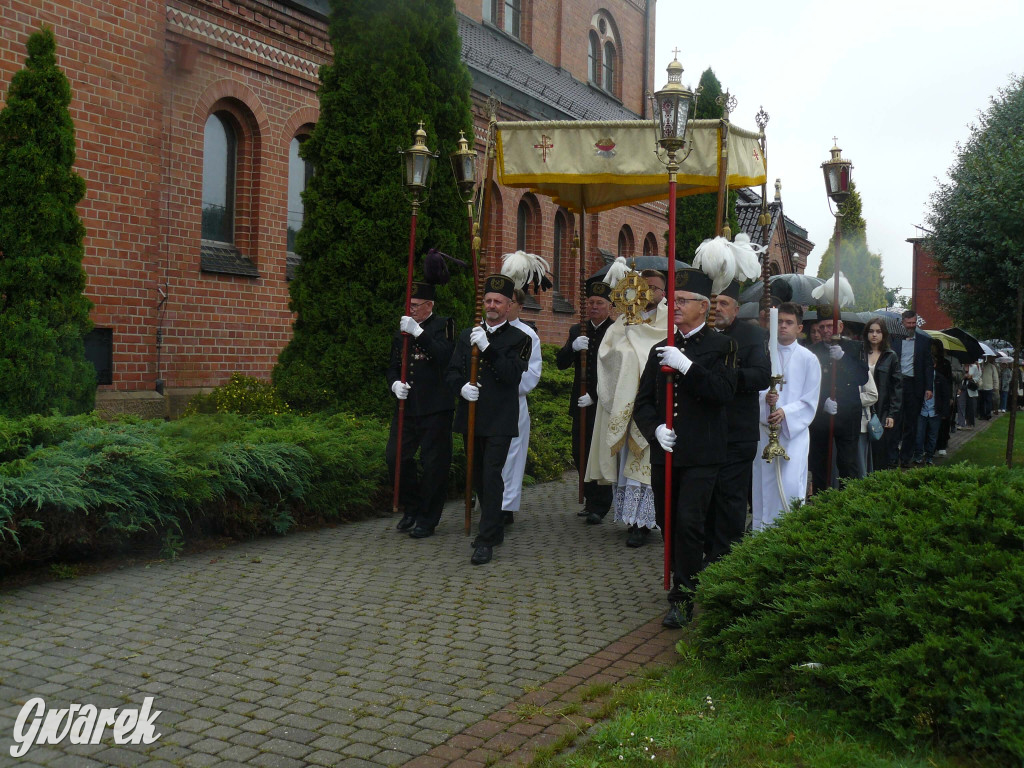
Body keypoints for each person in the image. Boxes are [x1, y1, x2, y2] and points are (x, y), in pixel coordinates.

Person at [634, 267, 737, 629]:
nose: (673, 306)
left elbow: (723, 393)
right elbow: (643, 402)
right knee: (667, 521)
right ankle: (689, 574)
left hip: (703, 454)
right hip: (668, 451)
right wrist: (655, 429)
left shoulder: (723, 346)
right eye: (673, 300)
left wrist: (687, 367)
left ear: (703, 307)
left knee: (689, 522)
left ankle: (683, 596)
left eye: (682, 301)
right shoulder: (660, 347)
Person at [446, 275, 532, 565]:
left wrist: (487, 348)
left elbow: (511, 374)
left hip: (500, 418)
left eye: (497, 301)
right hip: (472, 416)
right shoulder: (468, 335)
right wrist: (461, 387)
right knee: (477, 475)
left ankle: (485, 540)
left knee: (491, 474)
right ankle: (493, 528)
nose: (491, 306)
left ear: (509, 306)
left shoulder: (522, 338)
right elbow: (452, 371)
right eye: (487, 301)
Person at [586, 269, 671, 548]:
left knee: (646, 465)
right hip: (625, 404)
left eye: (655, 288)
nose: (649, 293)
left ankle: (646, 522)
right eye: (644, 287)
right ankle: (631, 520)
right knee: (627, 465)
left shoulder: (668, 321)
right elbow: (606, 355)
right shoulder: (623, 321)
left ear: (664, 293)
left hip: (651, 407)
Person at [705, 280, 771, 564]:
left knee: (731, 498)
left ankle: (726, 557)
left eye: (724, 303)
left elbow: (760, 376)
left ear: (737, 308)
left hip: (738, 431)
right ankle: (707, 549)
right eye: (714, 303)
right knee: (706, 496)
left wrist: (730, 376)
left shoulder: (753, 335)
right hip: (705, 430)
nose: (718, 308)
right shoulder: (700, 334)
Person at [385, 282, 456, 538]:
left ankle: (428, 518)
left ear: (429, 305)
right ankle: (412, 507)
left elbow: (445, 356)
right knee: (395, 458)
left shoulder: (443, 325)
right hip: (408, 407)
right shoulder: (402, 331)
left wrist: (419, 333)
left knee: (434, 465)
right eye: (409, 305)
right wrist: (394, 384)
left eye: (415, 305)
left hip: (436, 408)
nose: (411, 309)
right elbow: (393, 365)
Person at [752, 302, 821, 530]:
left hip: (794, 434)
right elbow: (753, 389)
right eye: (779, 321)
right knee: (764, 487)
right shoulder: (762, 353)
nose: (783, 326)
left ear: (799, 328)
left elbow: (810, 399)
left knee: (790, 486)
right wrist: (765, 401)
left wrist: (784, 411)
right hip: (765, 431)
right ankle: (761, 536)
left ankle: (789, 534)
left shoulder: (808, 359)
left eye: (789, 323)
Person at [555, 278, 615, 523]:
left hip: (602, 402)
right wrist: (572, 347)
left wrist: (597, 394)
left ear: (610, 306)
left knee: (598, 452)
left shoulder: (616, 331)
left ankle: (600, 505)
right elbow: (560, 364)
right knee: (579, 451)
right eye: (590, 302)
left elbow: (615, 370)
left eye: (599, 303)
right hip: (579, 402)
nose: (594, 307)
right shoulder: (577, 330)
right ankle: (590, 499)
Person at [808, 313, 869, 491]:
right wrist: (821, 403)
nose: (826, 330)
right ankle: (821, 500)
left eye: (830, 326)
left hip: (848, 413)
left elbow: (862, 377)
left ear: (840, 327)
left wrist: (843, 358)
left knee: (847, 462)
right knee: (820, 462)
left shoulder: (854, 347)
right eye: (822, 327)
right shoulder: (813, 351)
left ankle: (847, 500)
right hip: (822, 414)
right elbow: (808, 384)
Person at [499, 287, 543, 526]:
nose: (502, 305)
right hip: (487, 403)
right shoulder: (484, 331)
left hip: (513, 401)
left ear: (518, 306)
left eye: (508, 301)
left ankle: (506, 505)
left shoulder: (527, 335)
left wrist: (506, 387)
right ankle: (486, 500)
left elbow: (532, 372)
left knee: (512, 456)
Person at [891, 310, 933, 468]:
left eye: (914, 323)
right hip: (897, 384)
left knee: (911, 424)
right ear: (902, 323)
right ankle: (893, 457)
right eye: (908, 323)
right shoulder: (894, 340)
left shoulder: (923, 341)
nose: (911, 326)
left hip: (915, 385)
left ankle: (906, 457)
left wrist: (929, 387)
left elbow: (928, 365)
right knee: (895, 421)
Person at [862, 317, 902, 472]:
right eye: (871, 331)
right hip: (860, 408)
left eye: (878, 331)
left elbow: (896, 387)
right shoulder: (861, 353)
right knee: (862, 448)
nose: (874, 335)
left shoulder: (890, 356)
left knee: (879, 449)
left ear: (884, 334)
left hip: (882, 410)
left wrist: (892, 414)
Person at [915, 349, 952, 465]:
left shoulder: (940, 379)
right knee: (919, 435)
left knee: (932, 435)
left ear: (934, 365)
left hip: (935, 411)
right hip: (922, 411)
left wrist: (944, 412)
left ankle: (930, 455)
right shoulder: (920, 378)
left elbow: (945, 396)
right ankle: (918, 454)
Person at [933, 345, 954, 457]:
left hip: (943, 393)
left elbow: (949, 380)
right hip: (932, 393)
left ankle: (942, 444)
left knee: (944, 420)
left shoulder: (946, 363)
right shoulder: (928, 360)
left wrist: (950, 396)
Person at [961, 359, 981, 429]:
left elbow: (978, 377)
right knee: (962, 406)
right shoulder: (961, 366)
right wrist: (964, 377)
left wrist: (971, 377)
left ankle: (970, 423)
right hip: (962, 388)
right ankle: (962, 423)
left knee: (971, 407)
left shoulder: (974, 367)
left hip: (970, 388)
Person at [979, 355, 999, 420]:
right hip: (981, 387)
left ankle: (988, 414)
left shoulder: (992, 367)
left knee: (988, 401)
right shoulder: (980, 366)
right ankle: (982, 415)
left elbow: (995, 377)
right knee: (981, 402)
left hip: (989, 387)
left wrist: (996, 386)